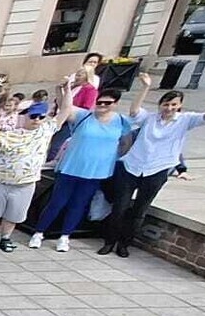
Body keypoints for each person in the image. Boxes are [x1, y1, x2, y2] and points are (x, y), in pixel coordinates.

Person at [101, 75, 205, 258]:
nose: (169, 108)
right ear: (160, 105)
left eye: (173, 105)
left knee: (140, 210)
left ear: (179, 105)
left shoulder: (185, 119)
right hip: (133, 166)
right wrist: (145, 88)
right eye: (166, 104)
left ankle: (124, 244)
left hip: (157, 169)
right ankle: (109, 241)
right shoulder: (150, 118)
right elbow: (134, 112)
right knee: (120, 207)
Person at [32, 81, 132, 252]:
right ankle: (39, 232)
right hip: (72, 167)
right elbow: (66, 107)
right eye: (99, 102)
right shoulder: (84, 116)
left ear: (115, 104)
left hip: (96, 171)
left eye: (107, 103)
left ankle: (65, 236)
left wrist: (111, 157)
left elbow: (126, 144)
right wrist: (64, 88)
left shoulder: (121, 121)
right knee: (57, 202)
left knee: (79, 204)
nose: (102, 105)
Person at [0, 100, 64, 253]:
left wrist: (66, 90)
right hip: (2, 180)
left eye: (41, 117)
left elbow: (65, 110)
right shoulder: (10, 133)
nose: (37, 120)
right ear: (24, 116)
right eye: (33, 116)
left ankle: (5, 238)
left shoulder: (45, 131)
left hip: (26, 183)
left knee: (15, 213)